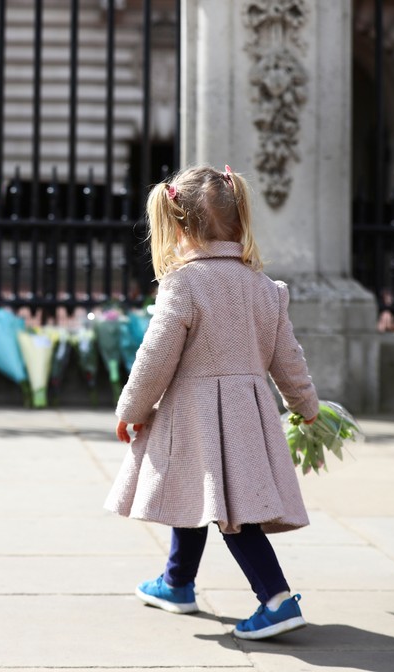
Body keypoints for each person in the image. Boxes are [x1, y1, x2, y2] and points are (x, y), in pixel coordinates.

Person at [105, 164, 319, 641]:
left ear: (178, 227)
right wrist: (305, 405)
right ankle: (177, 582)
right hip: (250, 414)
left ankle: (277, 599)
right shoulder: (266, 289)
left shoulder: (184, 285)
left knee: (234, 516)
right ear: (239, 218)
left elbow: (153, 359)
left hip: (198, 415)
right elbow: (289, 359)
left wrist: (131, 411)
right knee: (199, 494)